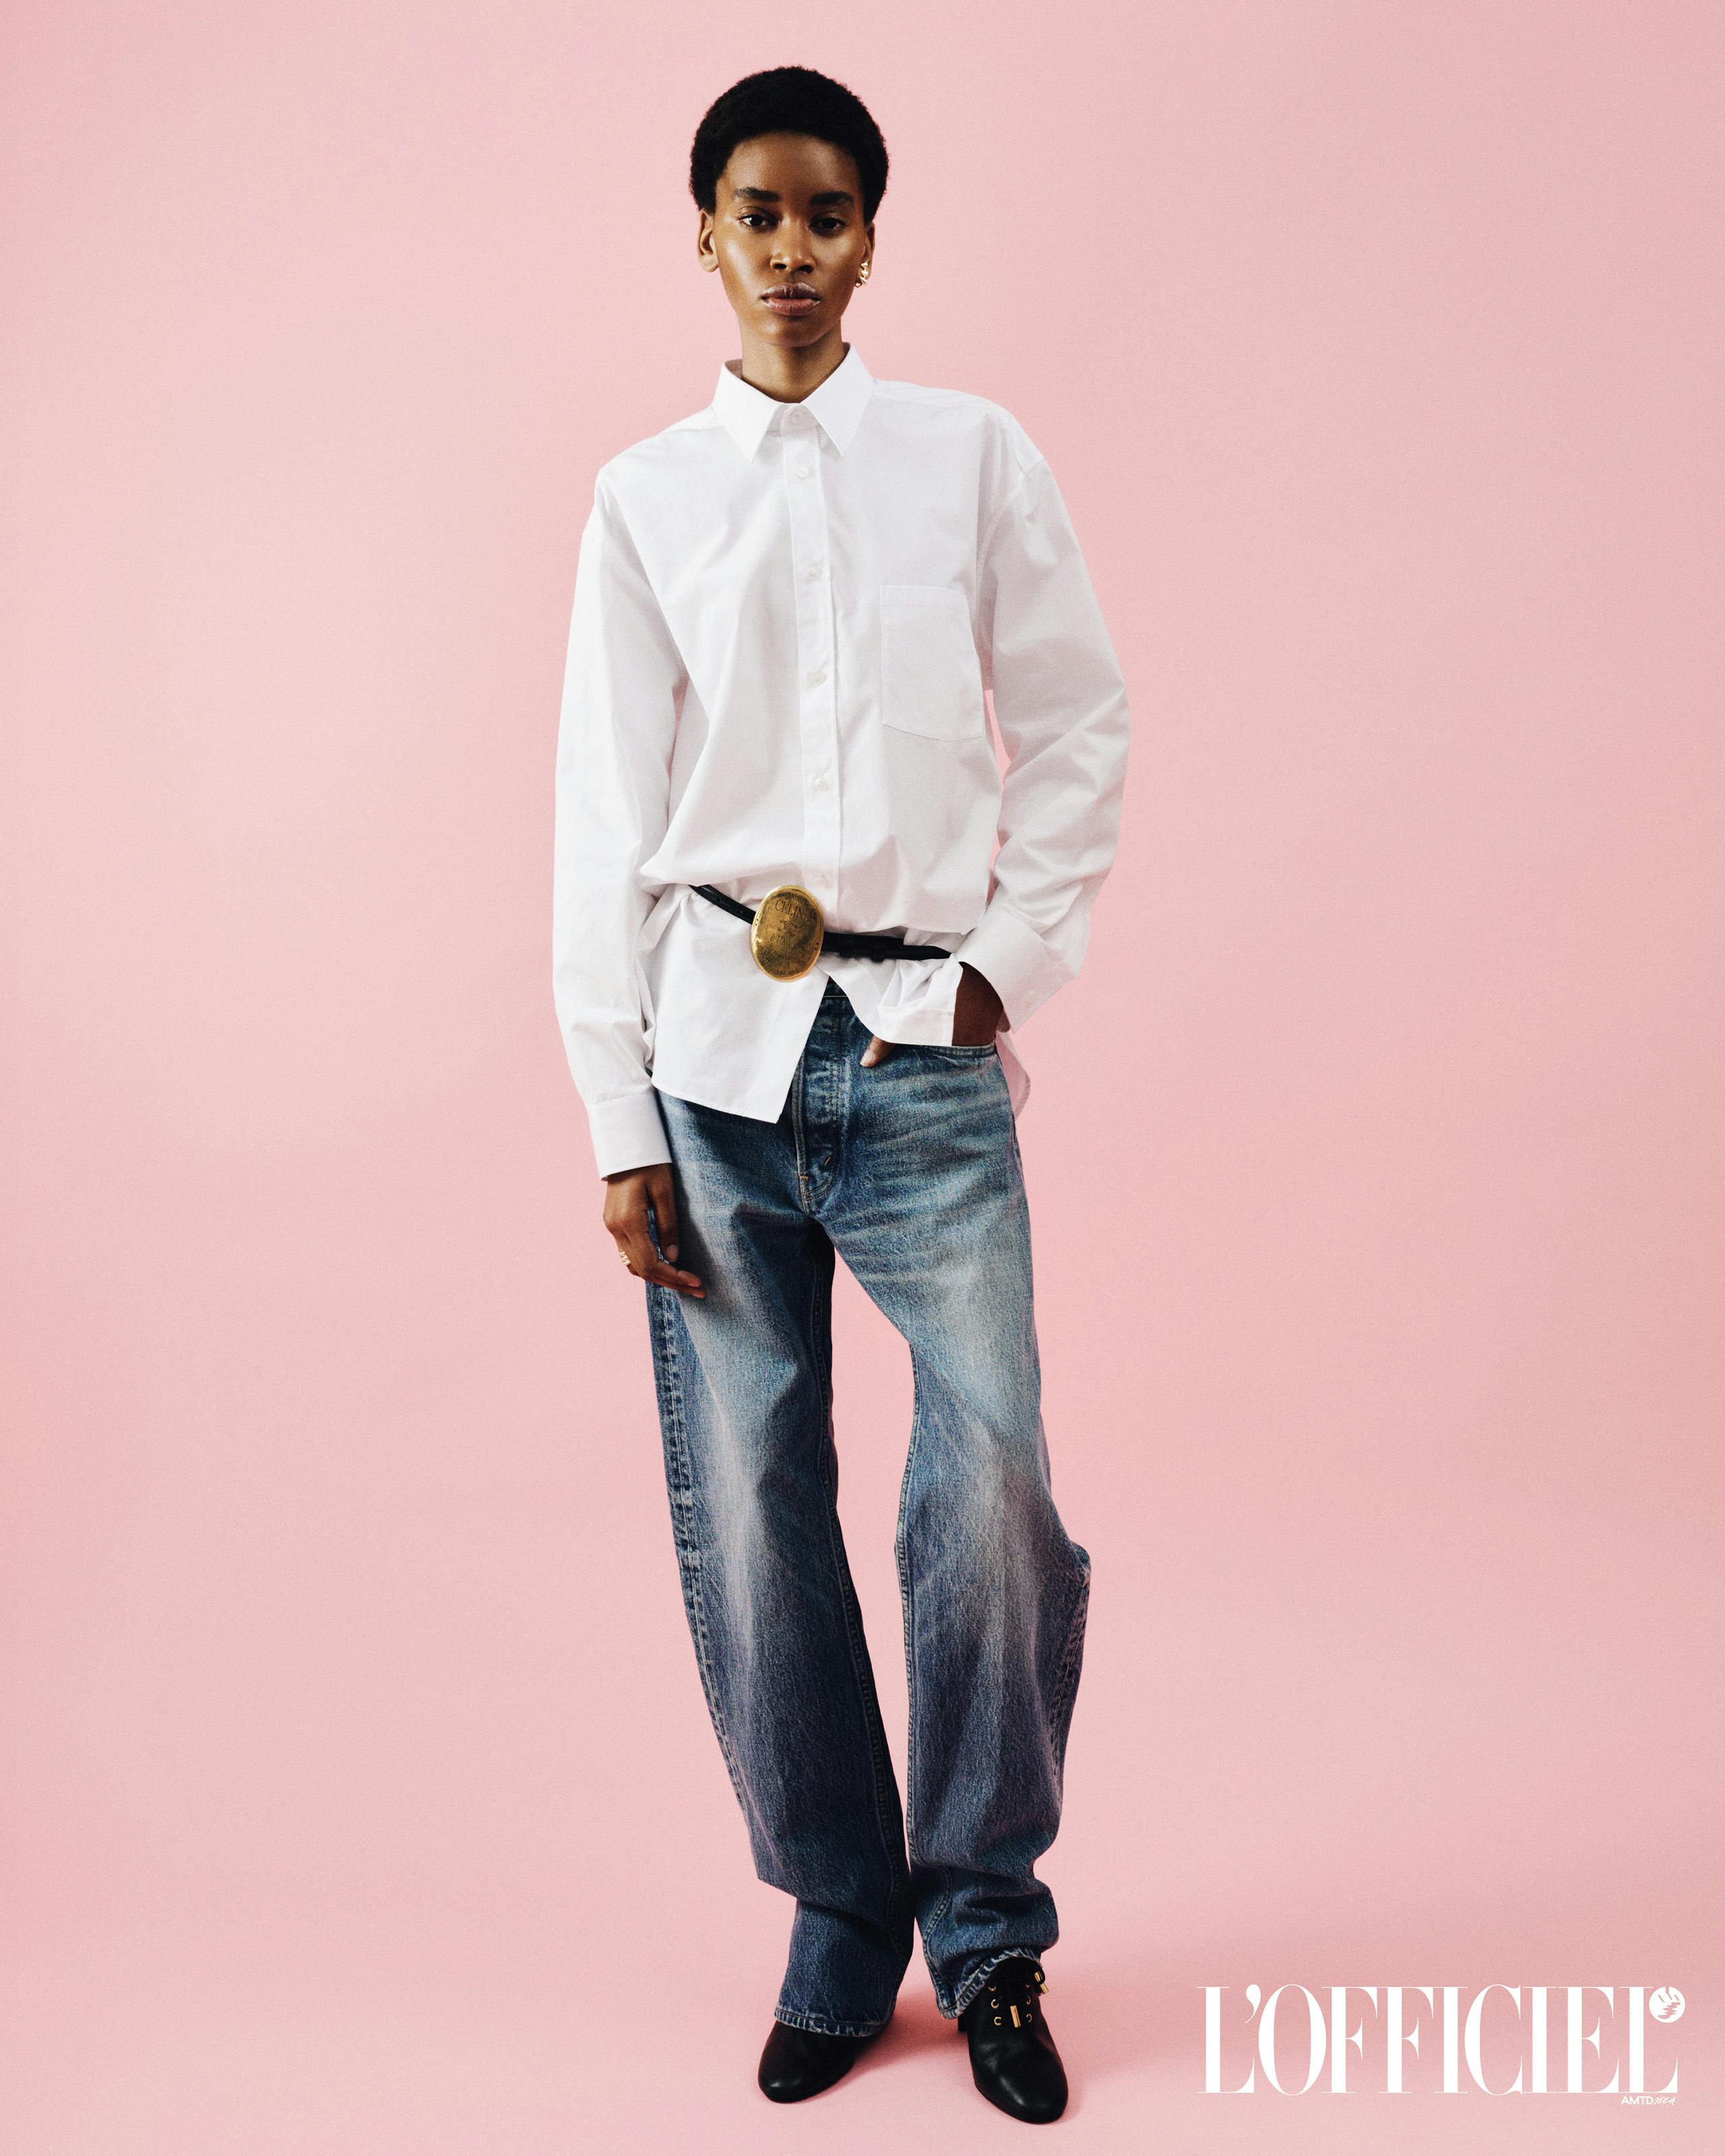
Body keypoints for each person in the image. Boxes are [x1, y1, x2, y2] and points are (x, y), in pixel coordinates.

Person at [552, 65, 1130, 2124]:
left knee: (992, 1486)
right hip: (711, 1066)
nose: (789, 248)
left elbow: (1077, 718)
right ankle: (836, 1916)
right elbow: (600, 814)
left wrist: (1004, 965)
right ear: (703, 235)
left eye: (825, 214)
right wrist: (618, 1116)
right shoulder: (644, 500)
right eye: (755, 212)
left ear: (872, 238)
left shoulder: (970, 458)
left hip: (918, 1055)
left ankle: (987, 1928)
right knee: (752, 1514)